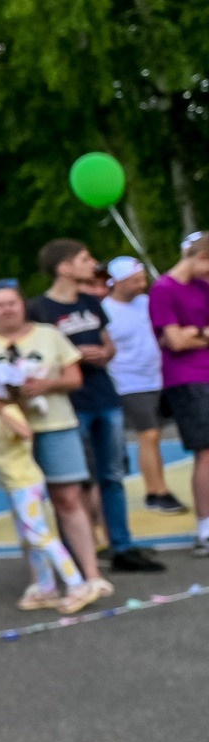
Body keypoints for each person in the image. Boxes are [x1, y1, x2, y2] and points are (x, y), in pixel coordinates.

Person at [0, 280, 105, 588]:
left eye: (12, 302)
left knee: (68, 498)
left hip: (54, 425)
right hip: (9, 433)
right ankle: (43, 582)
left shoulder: (49, 335)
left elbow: (74, 377)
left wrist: (44, 385)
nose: (7, 309)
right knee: (25, 505)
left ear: (23, 304)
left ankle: (91, 573)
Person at [29, 239, 162, 573]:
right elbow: (39, 358)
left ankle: (122, 545)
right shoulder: (40, 309)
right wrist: (73, 356)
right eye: (85, 259)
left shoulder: (91, 301)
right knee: (73, 480)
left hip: (104, 394)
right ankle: (77, 551)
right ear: (64, 268)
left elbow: (107, 342)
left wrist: (105, 353)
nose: (92, 264)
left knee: (112, 474)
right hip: (70, 403)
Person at [0, 356, 104, 611]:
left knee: (38, 534)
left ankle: (77, 584)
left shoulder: (8, 412)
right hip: (14, 483)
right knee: (28, 537)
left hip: (25, 484)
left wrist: (1, 412)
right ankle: (45, 586)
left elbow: (26, 432)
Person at [102, 256, 181, 515]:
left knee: (155, 434)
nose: (141, 283)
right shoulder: (106, 310)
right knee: (149, 434)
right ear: (120, 282)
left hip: (157, 376)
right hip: (129, 381)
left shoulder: (147, 303)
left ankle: (159, 487)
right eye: (135, 280)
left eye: (142, 278)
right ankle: (155, 491)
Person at [150, 229, 209, 557]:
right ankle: (205, 527)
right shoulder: (164, 290)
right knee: (206, 450)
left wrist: (196, 332)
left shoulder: (202, 286)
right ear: (201, 257)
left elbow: (187, 337)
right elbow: (175, 341)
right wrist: (195, 335)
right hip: (187, 378)